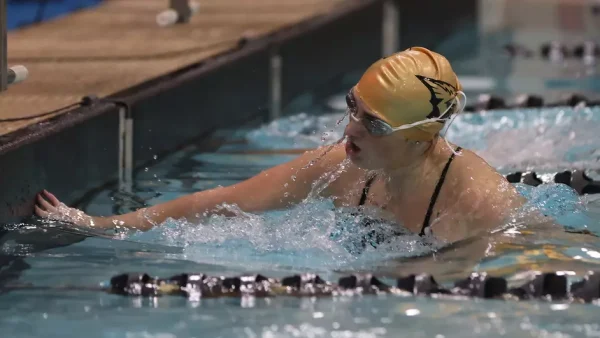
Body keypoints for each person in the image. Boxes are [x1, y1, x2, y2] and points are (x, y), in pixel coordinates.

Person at [34, 47, 525, 245]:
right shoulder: (342, 166)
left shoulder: (480, 203)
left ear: (421, 138)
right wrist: (99, 224)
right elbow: (218, 202)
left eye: (373, 125)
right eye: (353, 107)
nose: (350, 129)